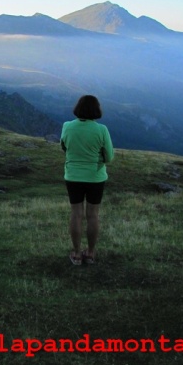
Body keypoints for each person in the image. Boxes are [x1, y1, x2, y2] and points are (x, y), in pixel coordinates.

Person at [60, 95, 114, 265]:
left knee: (76, 214)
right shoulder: (102, 130)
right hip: (95, 178)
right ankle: (90, 253)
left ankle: (76, 254)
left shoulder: (67, 126)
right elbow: (109, 158)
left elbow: (64, 147)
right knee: (92, 215)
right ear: (96, 110)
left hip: (73, 176)